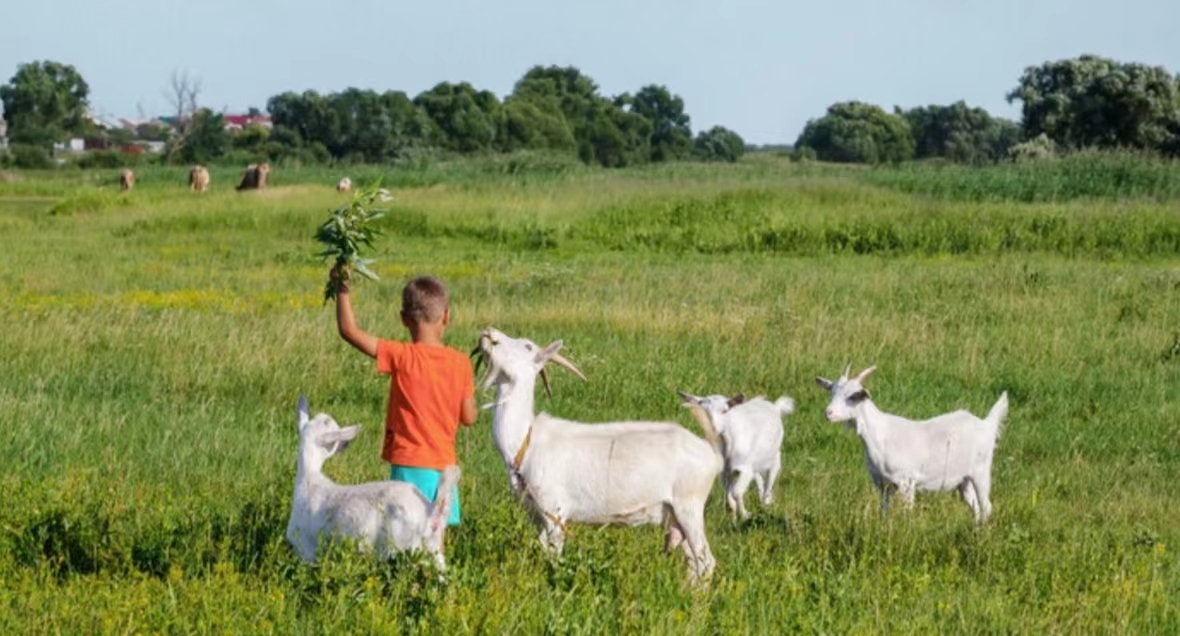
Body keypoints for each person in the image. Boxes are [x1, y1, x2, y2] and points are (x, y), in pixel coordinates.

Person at [331, 264, 478, 534]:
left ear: (403, 318)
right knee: (435, 540)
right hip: (444, 467)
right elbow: (469, 418)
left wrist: (342, 288)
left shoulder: (401, 356)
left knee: (403, 538)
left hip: (409, 463)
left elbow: (349, 331)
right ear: (446, 316)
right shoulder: (461, 364)